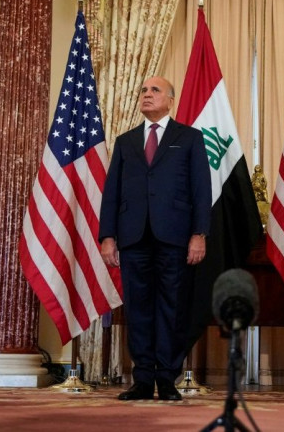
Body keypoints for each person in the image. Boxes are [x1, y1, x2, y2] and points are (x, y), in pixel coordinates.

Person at [99, 76, 212, 401]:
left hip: (175, 238)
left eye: (155, 90)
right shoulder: (125, 142)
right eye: (144, 91)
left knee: (172, 310)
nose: (147, 95)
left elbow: (201, 191)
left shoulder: (189, 138)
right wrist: (108, 236)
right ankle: (143, 379)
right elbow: (112, 193)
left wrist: (198, 234)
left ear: (170, 100)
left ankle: (166, 378)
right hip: (133, 238)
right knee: (138, 310)